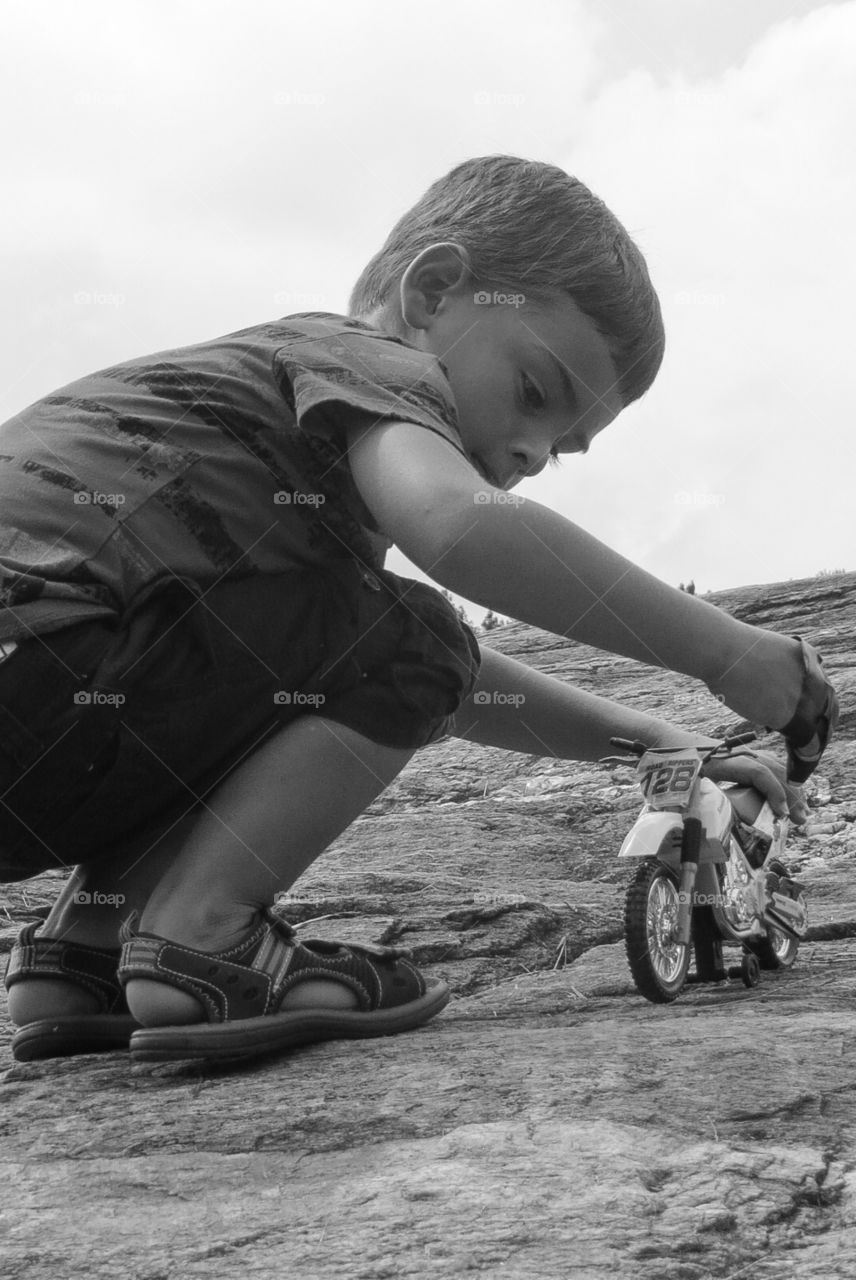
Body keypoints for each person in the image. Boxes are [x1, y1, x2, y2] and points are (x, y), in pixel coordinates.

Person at [0, 156, 837, 1066]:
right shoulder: (362, 358)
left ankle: (86, 950)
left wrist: (663, 744)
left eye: (560, 449)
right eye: (533, 394)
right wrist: (722, 653)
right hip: (48, 654)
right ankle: (205, 940)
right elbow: (455, 544)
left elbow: (438, 681)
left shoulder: (284, 519)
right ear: (433, 291)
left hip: (47, 699)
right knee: (407, 631)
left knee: (339, 657)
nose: (525, 450)